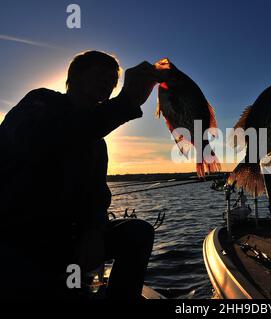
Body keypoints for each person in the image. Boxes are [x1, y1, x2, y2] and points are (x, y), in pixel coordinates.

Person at [0, 51, 157, 299]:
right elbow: (48, 138)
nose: (108, 83)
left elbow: (96, 196)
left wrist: (94, 231)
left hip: (72, 237)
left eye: (113, 81)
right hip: (20, 236)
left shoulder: (97, 141)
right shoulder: (40, 101)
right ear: (74, 77)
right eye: (100, 75)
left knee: (138, 233)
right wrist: (126, 102)